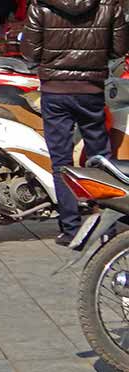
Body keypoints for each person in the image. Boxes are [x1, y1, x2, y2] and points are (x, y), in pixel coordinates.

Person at [21, 0, 128, 246]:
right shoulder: (109, 4)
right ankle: (105, 225)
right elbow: (120, 47)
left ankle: (70, 228)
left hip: (55, 91)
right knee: (100, 158)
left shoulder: (41, 5)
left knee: (61, 160)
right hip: (91, 90)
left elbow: (30, 51)